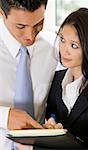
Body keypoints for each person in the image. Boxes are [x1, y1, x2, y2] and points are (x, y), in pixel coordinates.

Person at [0, 0, 57, 149]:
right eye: (21, 26)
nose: (30, 36)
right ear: (1, 14)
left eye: (39, 23)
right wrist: (5, 116)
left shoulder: (54, 49)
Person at [45, 8, 88, 149]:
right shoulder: (57, 79)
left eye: (74, 45)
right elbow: (52, 114)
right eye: (62, 39)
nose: (64, 50)